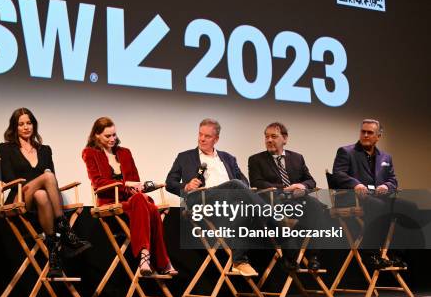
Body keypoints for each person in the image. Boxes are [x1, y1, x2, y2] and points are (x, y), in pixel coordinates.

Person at [166, 118, 266, 277]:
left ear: (216, 139)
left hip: (229, 205)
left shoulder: (228, 158)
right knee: (234, 184)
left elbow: (244, 182)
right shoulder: (185, 157)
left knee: (244, 207)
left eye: (207, 136)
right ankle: (275, 219)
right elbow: (170, 183)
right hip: (203, 203)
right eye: (200, 134)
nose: (202, 139)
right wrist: (185, 186)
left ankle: (239, 261)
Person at [0, 108, 91, 277]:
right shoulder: (6, 148)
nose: (26, 127)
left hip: (41, 200)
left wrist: (40, 186)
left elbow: (52, 181)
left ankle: (53, 251)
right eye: (21, 124)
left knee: (42, 194)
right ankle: (65, 229)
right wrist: (37, 182)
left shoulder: (44, 149)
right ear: (14, 127)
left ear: (34, 125)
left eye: (29, 123)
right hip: (19, 195)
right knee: (47, 177)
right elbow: (8, 178)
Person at [82, 117, 177, 276]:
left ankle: (145, 258)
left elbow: (135, 181)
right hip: (111, 202)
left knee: (143, 201)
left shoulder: (124, 152)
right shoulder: (90, 153)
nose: (112, 139)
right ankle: (162, 261)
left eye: (114, 135)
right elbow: (98, 183)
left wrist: (137, 187)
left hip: (133, 201)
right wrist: (125, 185)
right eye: (107, 136)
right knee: (150, 207)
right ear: (96, 135)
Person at [332, 119, 417, 269]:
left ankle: (397, 253)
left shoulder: (386, 157)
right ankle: (370, 253)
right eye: (363, 132)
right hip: (355, 198)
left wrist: (386, 185)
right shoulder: (346, 151)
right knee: (378, 206)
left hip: (379, 197)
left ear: (378, 136)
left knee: (409, 207)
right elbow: (338, 174)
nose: (365, 135)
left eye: (370, 132)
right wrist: (355, 184)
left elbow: (393, 179)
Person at [248, 122, 327, 271]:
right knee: (281, 211)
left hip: (298, 199)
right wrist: (285, 189)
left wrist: (302, 186)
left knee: (316, 206)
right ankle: (290, 256)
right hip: (274, 200)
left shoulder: (297, 158)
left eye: (273, 136)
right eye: (266, 137)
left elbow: (310, 180)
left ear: (284, 139)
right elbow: (257, 182)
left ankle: (313, 256)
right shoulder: (256, 160)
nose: (269, 140)